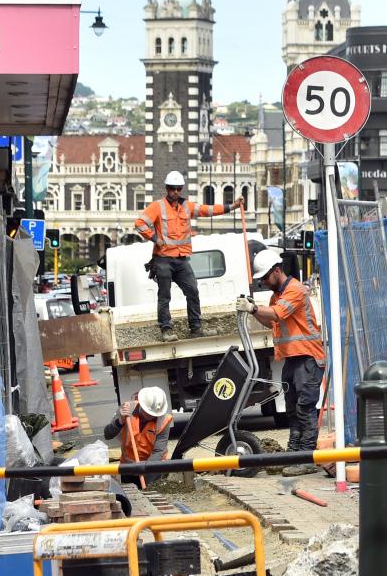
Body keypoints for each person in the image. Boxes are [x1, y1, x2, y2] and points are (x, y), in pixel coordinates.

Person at [236, 249, 326, 476]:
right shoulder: (276, 295)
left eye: (266, 277)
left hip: (307, 357)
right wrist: (255, 309)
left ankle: (306, 458)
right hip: (292, 359)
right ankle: (293, 453)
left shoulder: (295, 290)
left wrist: (254, 308)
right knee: (293, 412)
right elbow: (272, 322)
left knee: (304, 410)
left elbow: (276, 314)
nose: (264, 282)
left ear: (277, 270)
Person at [134, 170, 244, 342]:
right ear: (167, 188)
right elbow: (140, 224)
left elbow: (209, 210)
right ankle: (166, 329)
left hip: (181, 259)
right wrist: (155, 239)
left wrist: (232, 206)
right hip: (163, 259)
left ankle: (196, 327)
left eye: (179, 189)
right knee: (165, 295)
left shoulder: (187, 206)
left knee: (192, 290)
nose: (176, 192)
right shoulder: (157, 206)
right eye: (172, 189)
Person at [103, 385, 173, 489]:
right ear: (141, 403)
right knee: (132, 497)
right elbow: (107, 434)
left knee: (151, 494)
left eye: (154, 414)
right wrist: (120, 422)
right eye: (148, 412)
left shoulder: (164, 420)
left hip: (152, 467)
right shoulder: (126, 410)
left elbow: (159, 451)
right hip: (128, 467)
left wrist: (144, 468)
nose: (151, 416)